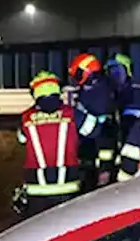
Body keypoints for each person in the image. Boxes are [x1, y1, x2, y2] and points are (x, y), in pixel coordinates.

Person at [15, 71, 82, 216]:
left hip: (36, 189)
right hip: (68, 187)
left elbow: (21, 139)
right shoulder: (72, 113)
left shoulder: (26, 118)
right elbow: (92, 130)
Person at [68, 53, 118, 188]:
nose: (76, 78)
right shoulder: (90, 89)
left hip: (101, 145)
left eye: (78, 74)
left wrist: (104, 170)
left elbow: (105, 128)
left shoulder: (102, 90)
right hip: (89, 145)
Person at [106, 54, 140, 158]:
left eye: (117, 71)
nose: (114, 76)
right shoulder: (107, 95)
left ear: (127, 72)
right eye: (111, 72)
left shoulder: (136, 95)